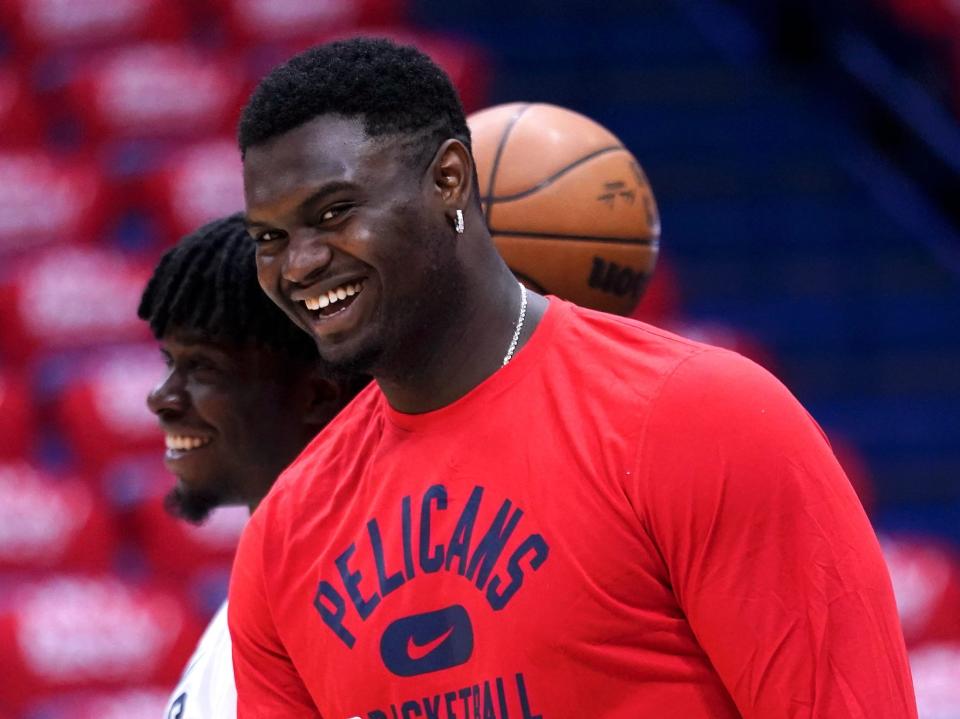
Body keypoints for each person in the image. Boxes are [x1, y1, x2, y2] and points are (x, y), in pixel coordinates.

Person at [230, 37, 917, 718]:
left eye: (333, 213)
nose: (298, 264)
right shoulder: (283, 540)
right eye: (271, 237)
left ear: (448, 180)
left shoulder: (698, 418)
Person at [138, 214, 366, 719]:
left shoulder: (359, 607)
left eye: (202, 368)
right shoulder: (259, 591)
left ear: (316, 394)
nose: (162, 398)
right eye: (169, 364)